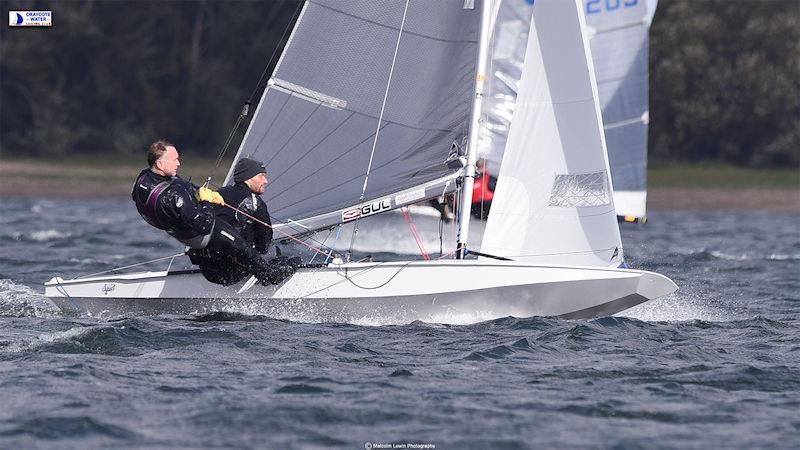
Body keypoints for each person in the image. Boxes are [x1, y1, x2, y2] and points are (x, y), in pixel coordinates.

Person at [131, 140, 295, 286]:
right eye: (175, 160)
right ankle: (267, 274)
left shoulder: (144, 179)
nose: (179, 163)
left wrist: (199, 193)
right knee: (263, 249)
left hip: (207, 268)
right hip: (221, 262)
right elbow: (204, 225)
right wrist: (206, 200)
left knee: (224, 233)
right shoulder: (176, 195)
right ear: (160, 164)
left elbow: (176, 191)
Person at [190, 157, 299, 285]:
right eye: (262, 176)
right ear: (249, 177)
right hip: (232, 272)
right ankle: (265, 281)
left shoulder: (215, 194)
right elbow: (265, 242)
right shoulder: (255, 203)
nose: (266, 181)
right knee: (274, 251)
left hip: (209, 271)